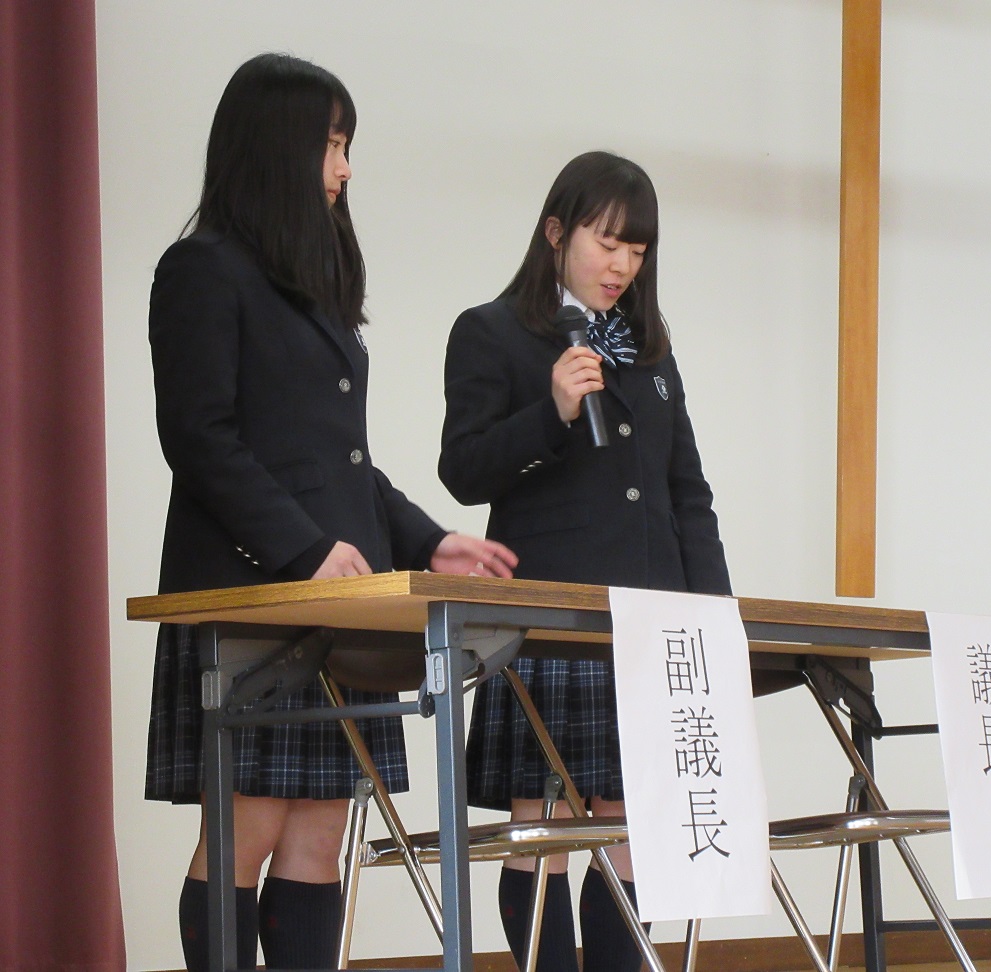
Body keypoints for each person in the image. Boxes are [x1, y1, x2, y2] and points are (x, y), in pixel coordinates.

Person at [144, 52, 517, 972]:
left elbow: (344, 465)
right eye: (334, 143)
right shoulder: (201, 269)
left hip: (337, 607)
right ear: (280, 146)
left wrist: (429, 541)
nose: (346, 168)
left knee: (318, 840)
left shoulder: (313, 291)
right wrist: (304, 550)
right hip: (253, 600)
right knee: (247, 833)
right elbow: (199, 438)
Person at [439, 150, 731, 972]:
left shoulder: (650, 349)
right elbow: (463, 470)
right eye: (608, 243)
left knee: (632, 832)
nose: (622, 265)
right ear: (555, 231)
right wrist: (553, 410)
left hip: (651, 622)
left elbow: (687, 494)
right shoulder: (492, 331)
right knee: (545, 830)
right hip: (551, 619)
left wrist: (715, 617)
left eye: (637, 250)